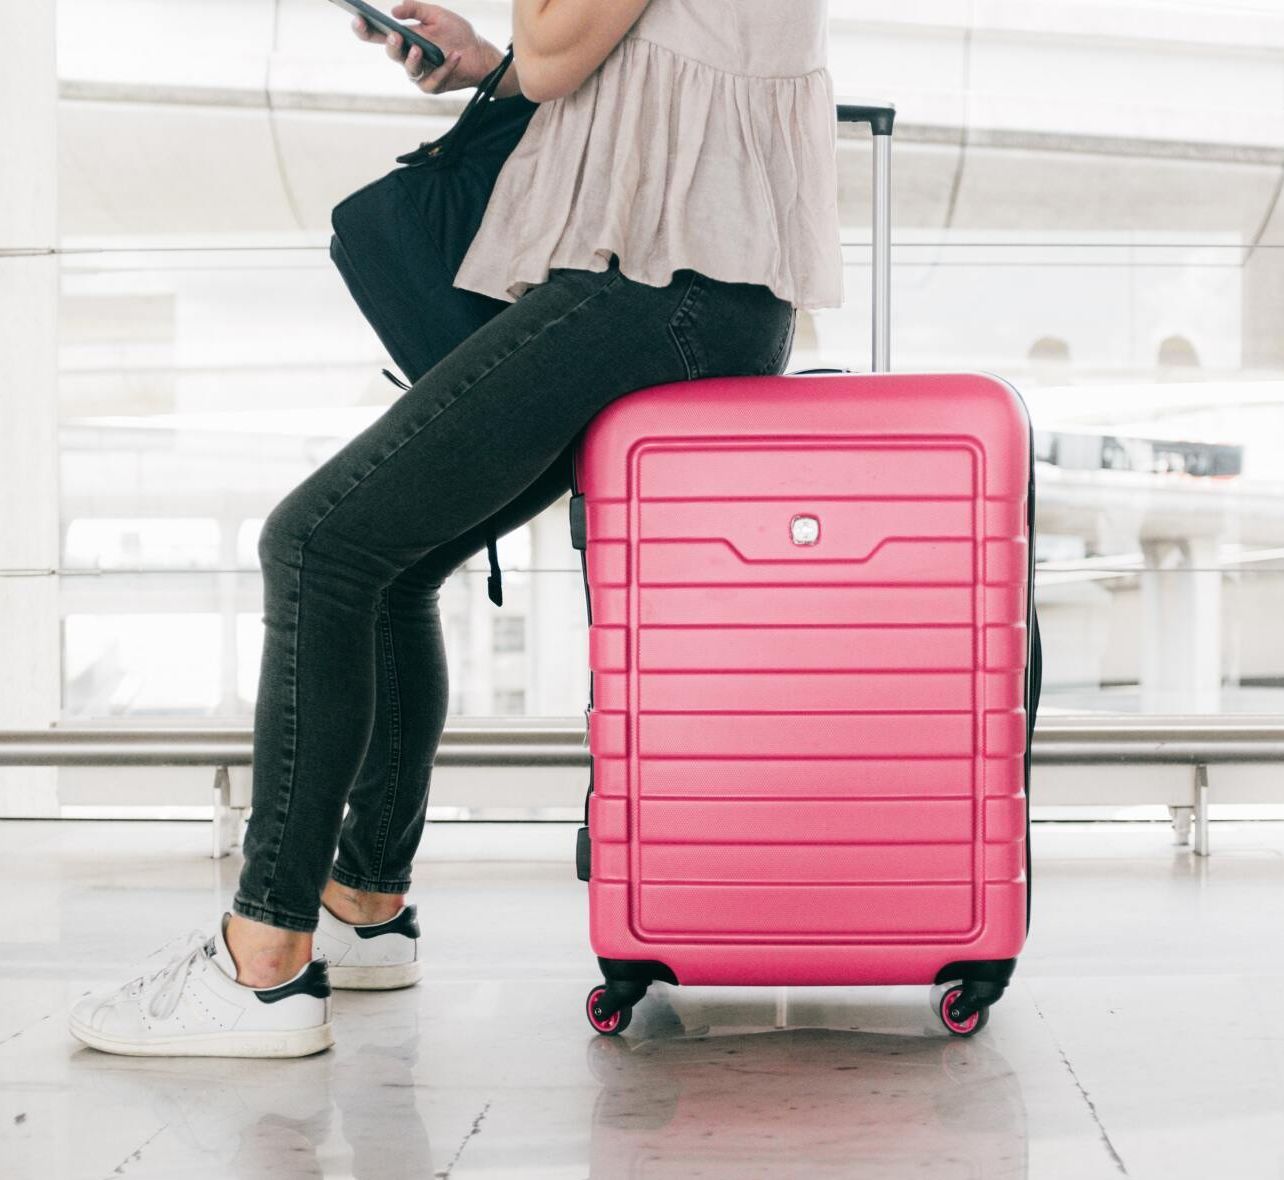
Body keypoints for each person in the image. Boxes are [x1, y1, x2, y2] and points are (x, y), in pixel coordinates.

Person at [68, 0, 843, 1058]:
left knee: (317, 544)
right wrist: (488, 63)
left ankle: (261, 962)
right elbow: (591, 51)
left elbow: (565, 50)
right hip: (690, 289)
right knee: (389, 564)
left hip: (655, 287)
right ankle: (362, 902)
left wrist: (530, 51)